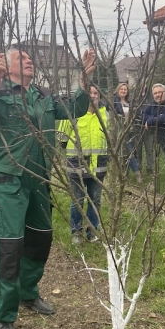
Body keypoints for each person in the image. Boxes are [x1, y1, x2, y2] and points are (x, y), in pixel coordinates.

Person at [0, 47, 96, 329]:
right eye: (21, 58)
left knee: (39, 240)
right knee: (10, 248)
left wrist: (84, 78)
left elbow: (73, 107)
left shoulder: (42, 95)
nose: (29, 60)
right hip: (5, 182)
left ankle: (28, 293)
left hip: (38, 181)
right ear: (5, 66)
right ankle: (5, 316)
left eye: (30, 58)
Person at [61, 85, 108, 245]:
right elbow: (62, 138)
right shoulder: (72, 113)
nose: (93, 96)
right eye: (90, 93)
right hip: (76, 168)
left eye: (96, 93)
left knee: (95, 201)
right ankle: (76, 232)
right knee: (78, 201)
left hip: (99, 168)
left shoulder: (105, 115)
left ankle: (93, 231)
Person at [113, 82, 142, 183]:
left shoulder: (129, 102)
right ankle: (136, 174)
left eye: (125, 89)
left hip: (130, 130)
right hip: (119, 131)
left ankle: (125, 176)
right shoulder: (114, 102)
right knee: (123, 153)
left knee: (128, 153)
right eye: (121, 89)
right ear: (117, 90)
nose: (123, 91)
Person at [135, 85, 155, 174]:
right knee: (138, 149)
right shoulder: (135, 97)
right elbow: (134, 111)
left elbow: (154, 112)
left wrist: (148, 119)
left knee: (149, 149)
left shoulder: (151, 97)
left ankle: (149, 168)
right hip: (138, 127)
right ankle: (138, 167)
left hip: (149, 128)